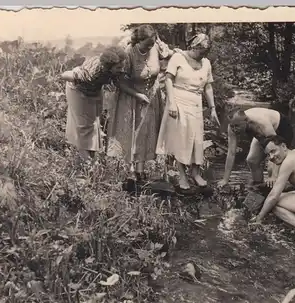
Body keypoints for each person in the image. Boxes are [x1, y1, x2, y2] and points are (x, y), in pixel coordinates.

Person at [106, 25, 176, 181]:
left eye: (152, 44)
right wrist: (137, 95)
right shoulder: (129, 53)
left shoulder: (156, 47)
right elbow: (119, 82)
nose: (150, 47)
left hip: (152, 96)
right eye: (147, 44)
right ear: (139, 41)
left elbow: (171, 54)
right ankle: (130, 170)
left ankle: (140, 170)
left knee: (146, 133)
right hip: (131, 97)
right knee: (133, 132)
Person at [155, 33, 220, 191]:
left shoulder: (206, 63)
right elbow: (169, 79)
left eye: (206, 52)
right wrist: (171, 103)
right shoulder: (178, 58)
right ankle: (182, 175)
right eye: (201, 51)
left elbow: (208, 86)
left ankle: (195, 173)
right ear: (194, 47)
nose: (203, 55)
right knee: (181, 139)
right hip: (179, 101)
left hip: (196, 103)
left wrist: (212, 109)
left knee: (197, 139)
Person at [60, 46, 125, 162]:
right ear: (109, 67)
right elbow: (65, 75)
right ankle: (87, 162)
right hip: (77, 89)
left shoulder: (114, 65)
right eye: (119, 67)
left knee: (95, 123)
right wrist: (72, 74)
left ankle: (92, 156)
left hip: (94, 89)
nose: (121, 69)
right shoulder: (90, 74)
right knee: (83, 126)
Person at [217, 107, 294, 189]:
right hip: (262, 133)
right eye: (232, 126)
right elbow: (231, 153)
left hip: (281, 129)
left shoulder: (261, 122)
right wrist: (225, 179)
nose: (234, 129)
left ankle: (281, 188)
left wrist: (273, 176)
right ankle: (259, 186)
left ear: (246, 121)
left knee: (272, 168)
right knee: (252, 160)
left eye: (237, 126)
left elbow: (276, 147)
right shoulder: (232, 127)